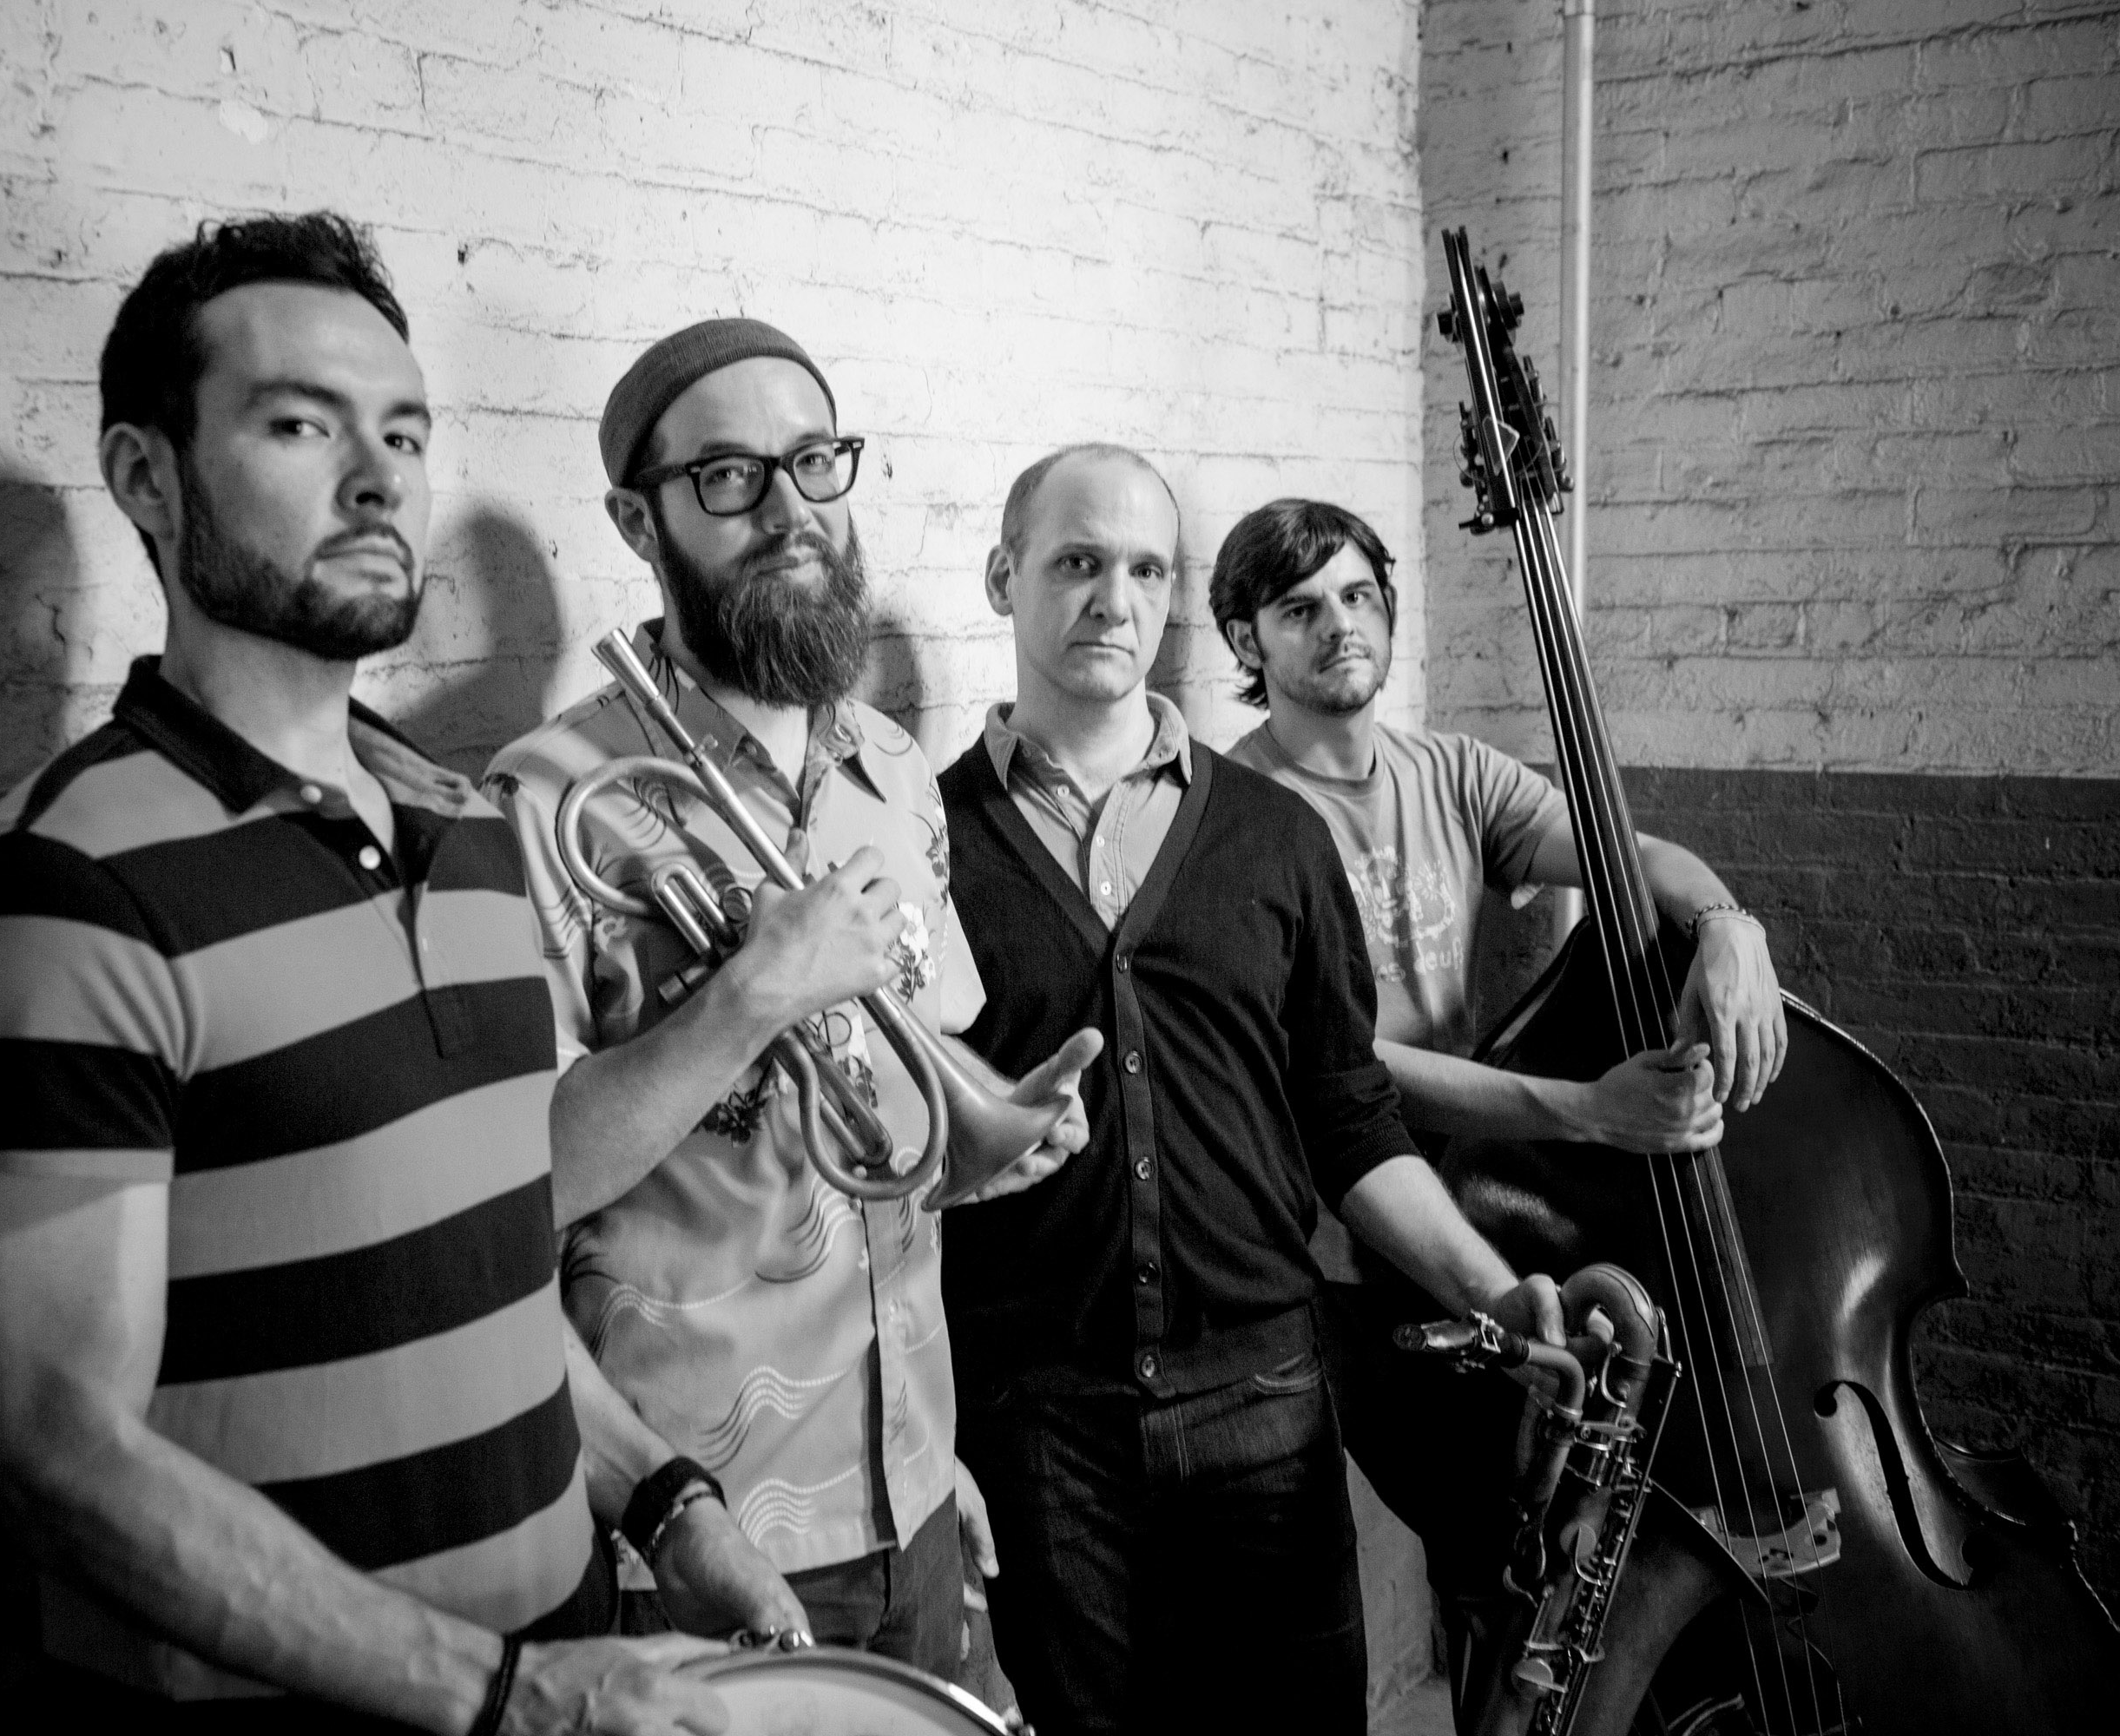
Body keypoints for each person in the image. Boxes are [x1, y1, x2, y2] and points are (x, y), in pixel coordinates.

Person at [0, 213, 803, 1734]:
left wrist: (664, 1503)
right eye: (301, 425)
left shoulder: (470, 831)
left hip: (567, 1670)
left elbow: (477, 1279)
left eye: (405, 431)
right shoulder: (57, 895)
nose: (380, 478)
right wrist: (504, 1694)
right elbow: (62, 1457)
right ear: (145, 477)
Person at [485, 319, 1096, 1686]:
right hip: (688, 1534)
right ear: (636, 523)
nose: (790, 509)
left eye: (815, 461)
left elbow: (892, 1104)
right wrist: (752, 992)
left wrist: (985, 1138)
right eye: (729, 476)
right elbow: (512, 1189)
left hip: (914, 1492)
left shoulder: (894, 769)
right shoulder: (537, 800)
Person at [937, 444, 1570, 1734]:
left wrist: (1495, 1293)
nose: (1114, 599)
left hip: (1265, 1397)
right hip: (1040, 1420)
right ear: (1004, 579)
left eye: (1145, 569)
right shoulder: (928, 839)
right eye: (1077, 562)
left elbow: (1350, 1117)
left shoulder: (1273, 836)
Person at [1208, 496, 1787, 1696]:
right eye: (1299, 610)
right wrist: (1587, 1108)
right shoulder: (1230, 813)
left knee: (1561, 1557)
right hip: (1351, 1248)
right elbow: (1339, 1064)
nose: (1338, 626)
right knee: (1494, 1567)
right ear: (1244, 641)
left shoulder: (1453, 772)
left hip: (1489, 1206)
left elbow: (1638, 860)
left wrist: (1732, 927)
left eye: (1357, 596)